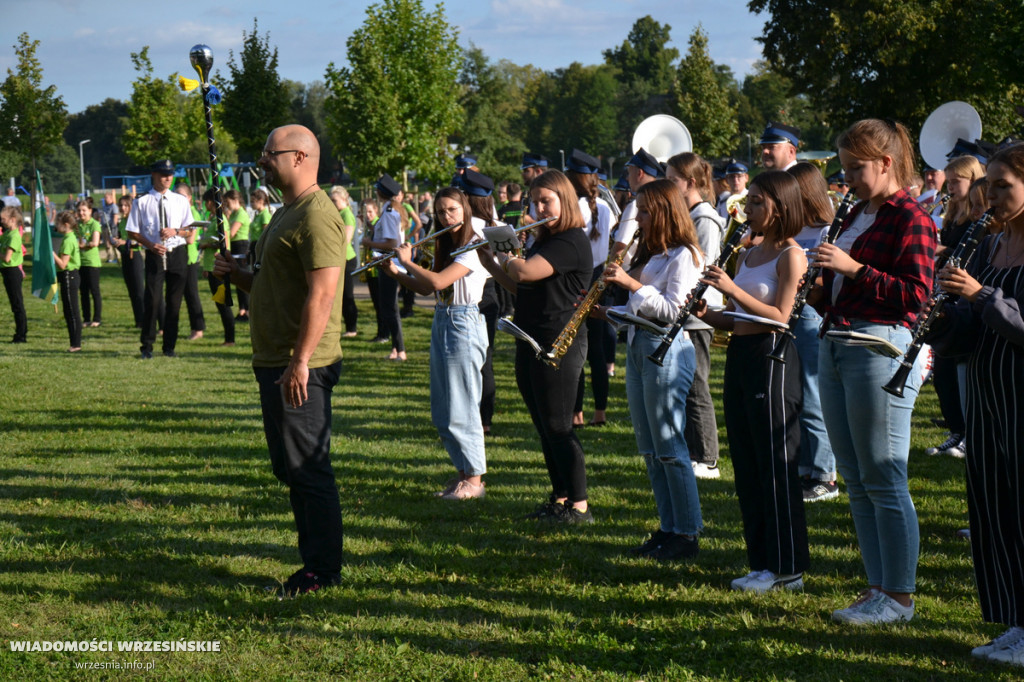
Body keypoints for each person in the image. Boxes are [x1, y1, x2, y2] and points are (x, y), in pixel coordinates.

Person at [213, 124, 347, 597]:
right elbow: (274, 285)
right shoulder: (285, 212)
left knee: (308, 468)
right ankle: (316, 560)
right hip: (275, 361)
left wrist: (301, 361)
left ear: (299, 157)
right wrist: (238, 275)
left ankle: (322, 570)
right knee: (288, 466)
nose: (263, 160)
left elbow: (324, 292)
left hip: (300, 365)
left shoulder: (316, 215)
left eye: (269, 153)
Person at [813, 119, 936, 625]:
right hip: (839, 340)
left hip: (879, 345)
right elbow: (840, 280)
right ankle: (878, 587)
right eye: (844, 169)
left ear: (886, 163)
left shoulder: (912, 218)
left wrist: (852, 269)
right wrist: (820, 288)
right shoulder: (855, 213)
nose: (848, 180)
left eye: (856, 169)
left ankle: (900, 597)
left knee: (885, 478)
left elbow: (917, 296)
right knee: (859, 480)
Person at [929, 142, 1024, 667]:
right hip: (988, 393)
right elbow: (972, 332)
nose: (993, 196)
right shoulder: (990, 246)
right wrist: (942, 322)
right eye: (989, 184)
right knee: (996, 509)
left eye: (1005, 186)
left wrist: (980, 297)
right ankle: (1016, 621)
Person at [694, 170, 810, 593]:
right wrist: (709, 314)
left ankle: (788, 567)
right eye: (751, 200)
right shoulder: (748, 253)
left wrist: (731, 289)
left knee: (775, 463)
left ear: (781, 206)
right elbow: (738, 317)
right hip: (742, 355)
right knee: (746, 463)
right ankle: (761, 562)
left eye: (758, 201)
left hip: (773, 357)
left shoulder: (791, 256)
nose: (748, 209)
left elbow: (780, 317)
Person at [479, 170, 594, 523]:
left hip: (558, 343)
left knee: (559, 426)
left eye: (546, 201)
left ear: (565, 201)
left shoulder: (570, 240)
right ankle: (559, 499)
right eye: (535, 200)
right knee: (545, 425)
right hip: (531, 338)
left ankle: (579, 506)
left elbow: (526, 272)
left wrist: (508, 249)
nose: (539, 207)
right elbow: (522, 287)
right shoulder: (544, 240)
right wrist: (491, 263)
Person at [599, 179, 704, 560]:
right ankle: (667, 527)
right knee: (649, 448)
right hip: (641, 345)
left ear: (663, 211)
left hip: (668, 349)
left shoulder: (686, 255)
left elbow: (673, 312)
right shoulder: (654, 254)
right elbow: (642, 310)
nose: (638, 218)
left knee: (670, 446)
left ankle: (687, 532)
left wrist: (629, 283)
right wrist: (608, 311)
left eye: (644, 211)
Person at [381, 186, 489, 500]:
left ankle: (475, 481)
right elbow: (429, 291)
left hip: (464, 322)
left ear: (465, 209)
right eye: (441, 212)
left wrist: (408, 261)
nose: (446, 217)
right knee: (443, 409)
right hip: (444, 319)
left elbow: (439, 281)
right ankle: (462, 476)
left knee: (463, 406)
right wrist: (397, 271)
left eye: (452, 210)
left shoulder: (474, 244)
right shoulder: (447, 244)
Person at [665, 152, 724, 480]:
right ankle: (693, 450)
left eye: (673, 179)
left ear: (690, 182)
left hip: (698, 313)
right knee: (684, 384)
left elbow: (700, 264)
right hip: (684, 311)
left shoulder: (704, 217)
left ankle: (708, 458)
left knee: (696, 385)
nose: (668, 184)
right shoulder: (688, 213)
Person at [926, 155, 986, 459]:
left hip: (966, 293)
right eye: (948, 181)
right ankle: (956, 430)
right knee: (943, 371)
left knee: (960, 366)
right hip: (947, 291)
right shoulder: (950, 214)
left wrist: (941, 249)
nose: (949, 187)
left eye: (955, 181)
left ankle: (968, 433)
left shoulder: (978, 216)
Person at [786, 162, 840, 502]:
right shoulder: (793, 228)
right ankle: (806, 467)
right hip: (787, 314)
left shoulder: (826, 229)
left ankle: (825, 475)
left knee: (812, 393)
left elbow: (826, 279)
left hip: (809, 315)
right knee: (794, 395)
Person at [565, 149, 615, 428]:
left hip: (575, 280)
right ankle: (600, 413)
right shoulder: (605, 208)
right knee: (596, 350)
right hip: (598, 278)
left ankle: (577, 414)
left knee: (574, 350)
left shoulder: (573, 208)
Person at [125, 159, 196, 359]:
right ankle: (147, 346)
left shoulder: (180, 200)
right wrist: (150, 244)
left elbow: (189, 229)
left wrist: (176, 231)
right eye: (163, 175)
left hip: (177, 253)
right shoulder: (142, 201)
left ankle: (169, 347)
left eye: (170, 175)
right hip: (155, 254)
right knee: (153, 301)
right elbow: (132, 231)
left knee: (174, 303)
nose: (168, 179)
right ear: (154, 175)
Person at [456, 169, 501, 435]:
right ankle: (485, 419)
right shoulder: (494, 223)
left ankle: (478, 418)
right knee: (485, 359)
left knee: (475, 360)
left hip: (475, 292)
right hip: (490, 292)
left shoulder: (471, 225)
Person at [361, 174, 406, 361]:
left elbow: (391, 243)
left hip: (389, 264)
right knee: (388, 307)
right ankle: (396, 348)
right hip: (385, 264)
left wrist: (368, 243)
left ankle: (400, 350)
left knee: (390, 309)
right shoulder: (389, 211)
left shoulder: (389, 214)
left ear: (381, 192)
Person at [199, 188, 235, 347]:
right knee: (219, 303)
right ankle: (228, 337)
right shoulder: (213, 219)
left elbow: (224, 243)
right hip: (211, 267)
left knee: (223, 303)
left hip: (219, 268)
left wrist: (207, 244)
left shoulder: (222, 221)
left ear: (210, 202)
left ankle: (230, 339)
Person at [175, 183, 205, 342]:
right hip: (181, 258)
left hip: (190, 258)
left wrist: (174, 234)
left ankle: (198, 328)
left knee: (192, 293)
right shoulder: (179, 213)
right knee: (185, 294)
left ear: (189, 198)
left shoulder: (192, 213)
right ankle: (194, 327)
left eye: (182, 196)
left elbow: (190, 239)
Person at [329, 186, 359, 338]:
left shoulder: (346, 214)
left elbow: (346, 239)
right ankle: (345, 326)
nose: (333, 203)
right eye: (331, 200)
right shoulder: (338, 213)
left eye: (335, 200)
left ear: (344, 200)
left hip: (346, 258)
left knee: (347, 295)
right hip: (338, 258)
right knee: (339, 295)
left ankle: (352, 328)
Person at [112, 194, 146, 328]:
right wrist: (116, 242)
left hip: (135, 256)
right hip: (125, 256)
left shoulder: (136, 221)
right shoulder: (121, 222)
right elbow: (121, 238)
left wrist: (125, 242)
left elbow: (140, 241)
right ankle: (138, 320)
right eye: (121, 205)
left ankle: (145, 319)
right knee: (131, 291)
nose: (123, 208)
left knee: (139, 291)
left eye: (126, 205)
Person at [53, 211, 82, 353]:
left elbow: (63, 264)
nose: (55, 227)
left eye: (57, 224)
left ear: (65, 225)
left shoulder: (68, 240)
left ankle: (76, 343)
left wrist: (52, 254)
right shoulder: (69, 237)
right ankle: (74, 342)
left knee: (72, 310)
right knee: (68, 310)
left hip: (69, 275)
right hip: (67, 276)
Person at [223, 189, 252, 322]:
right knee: (236, 279)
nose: (227, 205)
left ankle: (247, 310)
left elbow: (232, 232)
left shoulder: (241, 213)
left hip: (240, 245)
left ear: (235, 200)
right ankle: (242, 309)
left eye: (228, 202)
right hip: (234, 246)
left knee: (241, 277)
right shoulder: (234, 213)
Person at [0, 206, 27, 343]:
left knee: (17, 304)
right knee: (14, 304)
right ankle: (19, 333)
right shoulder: (7, 234)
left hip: (12, 272)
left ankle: (21, 334)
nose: (1, 221)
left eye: (3, 219)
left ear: (12, 220)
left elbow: (7, 258)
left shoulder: (15, 236)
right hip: (6, 272)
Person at [75, 200, 103, 328]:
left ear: (90, 211)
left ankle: (97, 318)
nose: (81, 213)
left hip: (92, 263)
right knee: (83, 292)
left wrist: (83, 245)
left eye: (84, 210)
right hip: (80, 263)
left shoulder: (95, 224)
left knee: (94, 291)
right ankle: (86, 318)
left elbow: (95, 243)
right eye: (79, 210)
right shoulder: (77, 225)